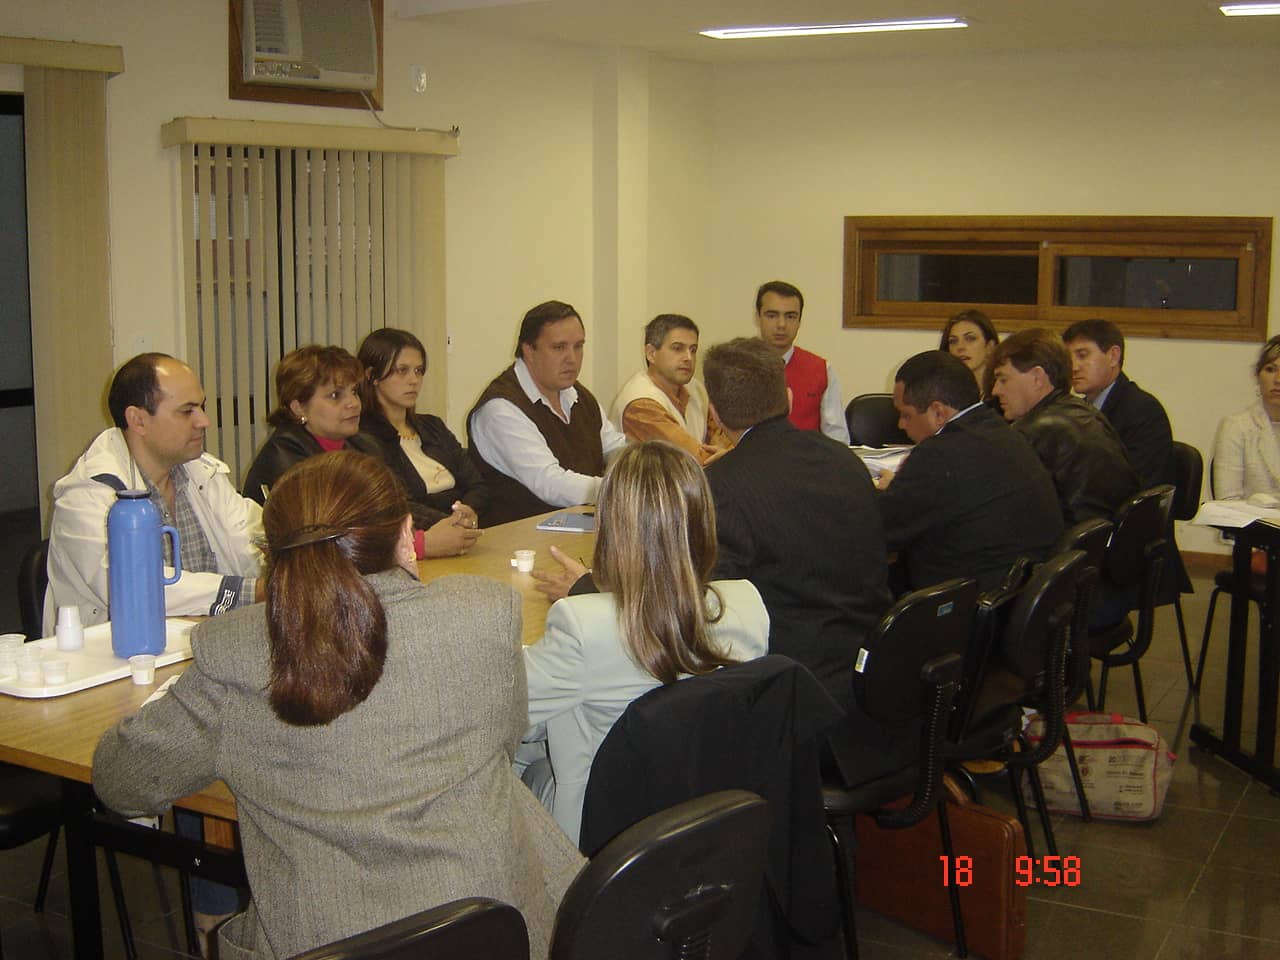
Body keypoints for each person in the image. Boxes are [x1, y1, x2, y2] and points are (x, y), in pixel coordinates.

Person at [92, 451, 585, 960]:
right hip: (491, 929)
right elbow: (503, 742)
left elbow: (124, 785)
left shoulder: (235, 651)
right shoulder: (483, 614)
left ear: (273, 554)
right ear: (406, 535)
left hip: (323, 939)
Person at [521, 442, 769, 844]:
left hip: (603, 834)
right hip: (708, 821)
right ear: (703, 523)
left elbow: (505, 713)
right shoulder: (748, 605)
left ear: (608, 528)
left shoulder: (582, 628)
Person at [702, 337, 889, 712]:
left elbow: (702, 596)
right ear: (788, 399)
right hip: (876, 666)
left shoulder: (719, 485)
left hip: (792, 688)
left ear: (715, 416)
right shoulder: (844, 460)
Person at [44, 353, 263, 635]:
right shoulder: (86, 494)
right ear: (138, 420)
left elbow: (251, 541)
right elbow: (132, 588)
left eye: (202, 407)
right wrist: (251, 591)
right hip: (119, 658)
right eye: (187, 411)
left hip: (207, 643)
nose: (204, 421)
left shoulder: (202, 473)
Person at [878, 350, 1063, 593]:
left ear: (938, 412)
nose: (901, 425)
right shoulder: (1004, 433)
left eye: (906, 414)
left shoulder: (939, 455)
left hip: (967, 612)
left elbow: (877, 531)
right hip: (1021, 599)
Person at [468, 300, 628, 525]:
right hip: (518, 548)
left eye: (579, 346)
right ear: (529, 351)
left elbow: (614, 448)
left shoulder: (578, 395)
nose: (572, 358)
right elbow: (549, 484)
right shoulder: (500, 409)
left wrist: (643, 468)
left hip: (580, 530)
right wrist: (625, 488)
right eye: (559, 347)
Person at [356, 328, 487, 556]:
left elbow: (477, 485)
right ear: (372, 376)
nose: (413, 380)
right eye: (401, 371)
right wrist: (452, 521)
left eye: (418, 371)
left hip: (464, 539)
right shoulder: (364, 438)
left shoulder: (433, 427)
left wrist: (469, 512)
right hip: (421, 548)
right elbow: (396, 505)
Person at [989, 329, 1140, 526]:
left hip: (1070, 548)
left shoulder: (1030, 433)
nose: (995, 390)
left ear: (1037, 377)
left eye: (1003, 379)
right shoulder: (1086, 412)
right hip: (1106, 544)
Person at [241, 345, 383, 504]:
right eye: (335, 395)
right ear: (299, 408)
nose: (354, 403)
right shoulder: (284, 459)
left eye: (354, 392)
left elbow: (395, 504)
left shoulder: (366, 445)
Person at [608, 314, 728, 465]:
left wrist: (725, 452)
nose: (688, 358)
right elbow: (691, 461)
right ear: (651, 353)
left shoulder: (696, 389)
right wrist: (727, 454)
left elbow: (725, 436)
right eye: (677, 348)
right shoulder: (641, 405)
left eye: (693, 350)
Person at [754, 280, 850, 443]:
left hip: (808, 464)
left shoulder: (822, 370)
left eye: (790, 316)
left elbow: (837, 437)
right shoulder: (737, 367)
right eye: (772, 315)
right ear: (758, 317)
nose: (781, 325)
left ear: (799, 321)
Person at [1214, 334, 1280, 501]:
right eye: (1270, 370)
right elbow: (1227, 501)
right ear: (1258, 376)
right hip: (1255, 525)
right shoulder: (1236, 427)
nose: (1278, 380)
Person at [940, 309, 999, 397]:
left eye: (970, 338)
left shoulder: (1004, 394)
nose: (960, 347)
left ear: (990, 347)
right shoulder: (942, 395)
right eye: (953, 341)